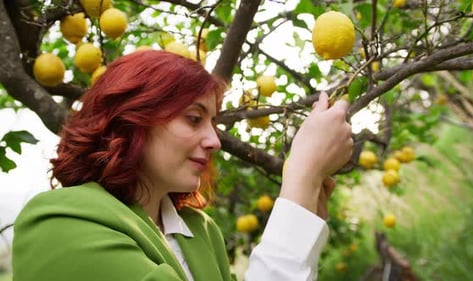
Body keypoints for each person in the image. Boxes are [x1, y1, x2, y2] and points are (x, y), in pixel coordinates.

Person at [12, 50, 353, 280]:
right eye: (193, 119)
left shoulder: (201, 233)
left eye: (213, 123)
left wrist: (305, 209)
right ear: (131, 119)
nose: (214, 141)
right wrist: (299, 178)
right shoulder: (59, 222)